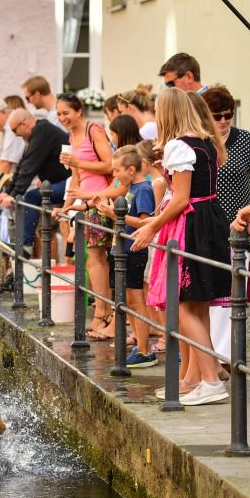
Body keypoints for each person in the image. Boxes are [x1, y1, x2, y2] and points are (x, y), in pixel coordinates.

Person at [131, 88, 230, 406]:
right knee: (198, 304)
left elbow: (182, 199)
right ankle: (192, 377)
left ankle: (212, 381)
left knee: (184, 304)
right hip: (211, 219)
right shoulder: (206, 142)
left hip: (191, 225)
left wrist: (151, 225)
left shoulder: (178, 145)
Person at [54, 93, 114, 341]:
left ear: (79, 111)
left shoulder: (94, 130)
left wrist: (78, 161)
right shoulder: (71, 136)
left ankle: (104, 311)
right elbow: (76, 177)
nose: (62, 118)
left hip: (99, 198)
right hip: (84, 201)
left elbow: (110, 165)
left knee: (97, 258)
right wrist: (66, 207)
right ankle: (103, 310)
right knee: (90, 258)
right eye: (58, 114)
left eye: (66, 112)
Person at [95, 146, 157, 368]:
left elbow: (144, 223)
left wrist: (114, 214)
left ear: (131, 169)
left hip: (133, 250)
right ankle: (139, 346)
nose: (114, 176)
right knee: (128, 300)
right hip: (121, 248)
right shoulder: (131, 189)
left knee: (136, 300)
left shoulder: (143, 190)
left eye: (116, 171)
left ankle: (144, 349)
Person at [1, 109, 71, 251]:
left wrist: (12, 195)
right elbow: (23, 164)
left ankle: (25, 245)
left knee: (31, 197)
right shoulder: (38, 132)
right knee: (34, 202)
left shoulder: (42, 132)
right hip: (59, 182)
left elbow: (29, 167)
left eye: (15, 130)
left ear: (24, 124)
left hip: (70, 183)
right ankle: (26, 245)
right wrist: (8, 192)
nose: (16, 135)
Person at [202, 86, 250, 225]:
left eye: (227, 115)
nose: (223, 121)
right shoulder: (198, 141)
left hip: (239, 221)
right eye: (217, 116)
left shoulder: (244, 138)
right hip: (206, 223)